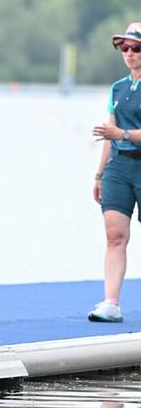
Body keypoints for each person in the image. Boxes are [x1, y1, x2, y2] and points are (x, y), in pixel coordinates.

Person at [90, 21, 141, 323]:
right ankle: (111, 303)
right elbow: (109, 135)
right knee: (115, 236)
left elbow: (117, 132)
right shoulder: (117, 88)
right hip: (119, 168)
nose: (129, 53)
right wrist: (99, 174)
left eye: (136, 48)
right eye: (124, 47)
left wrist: (121, 133)